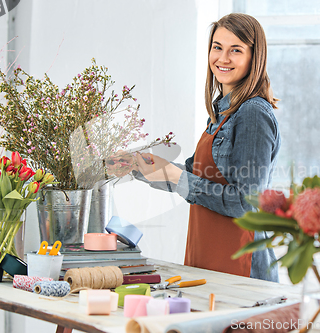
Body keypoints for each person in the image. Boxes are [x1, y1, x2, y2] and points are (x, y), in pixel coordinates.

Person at [113, 13, 281, 282]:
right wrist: (134, 165)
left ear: (254, 56)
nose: (222, 59)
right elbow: (193, 175)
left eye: (235, 50)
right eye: (217, 47)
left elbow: (245, 204)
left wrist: (178, 177)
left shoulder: (252, 114)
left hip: (241, 267)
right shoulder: (220, 112)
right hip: (207, 256)